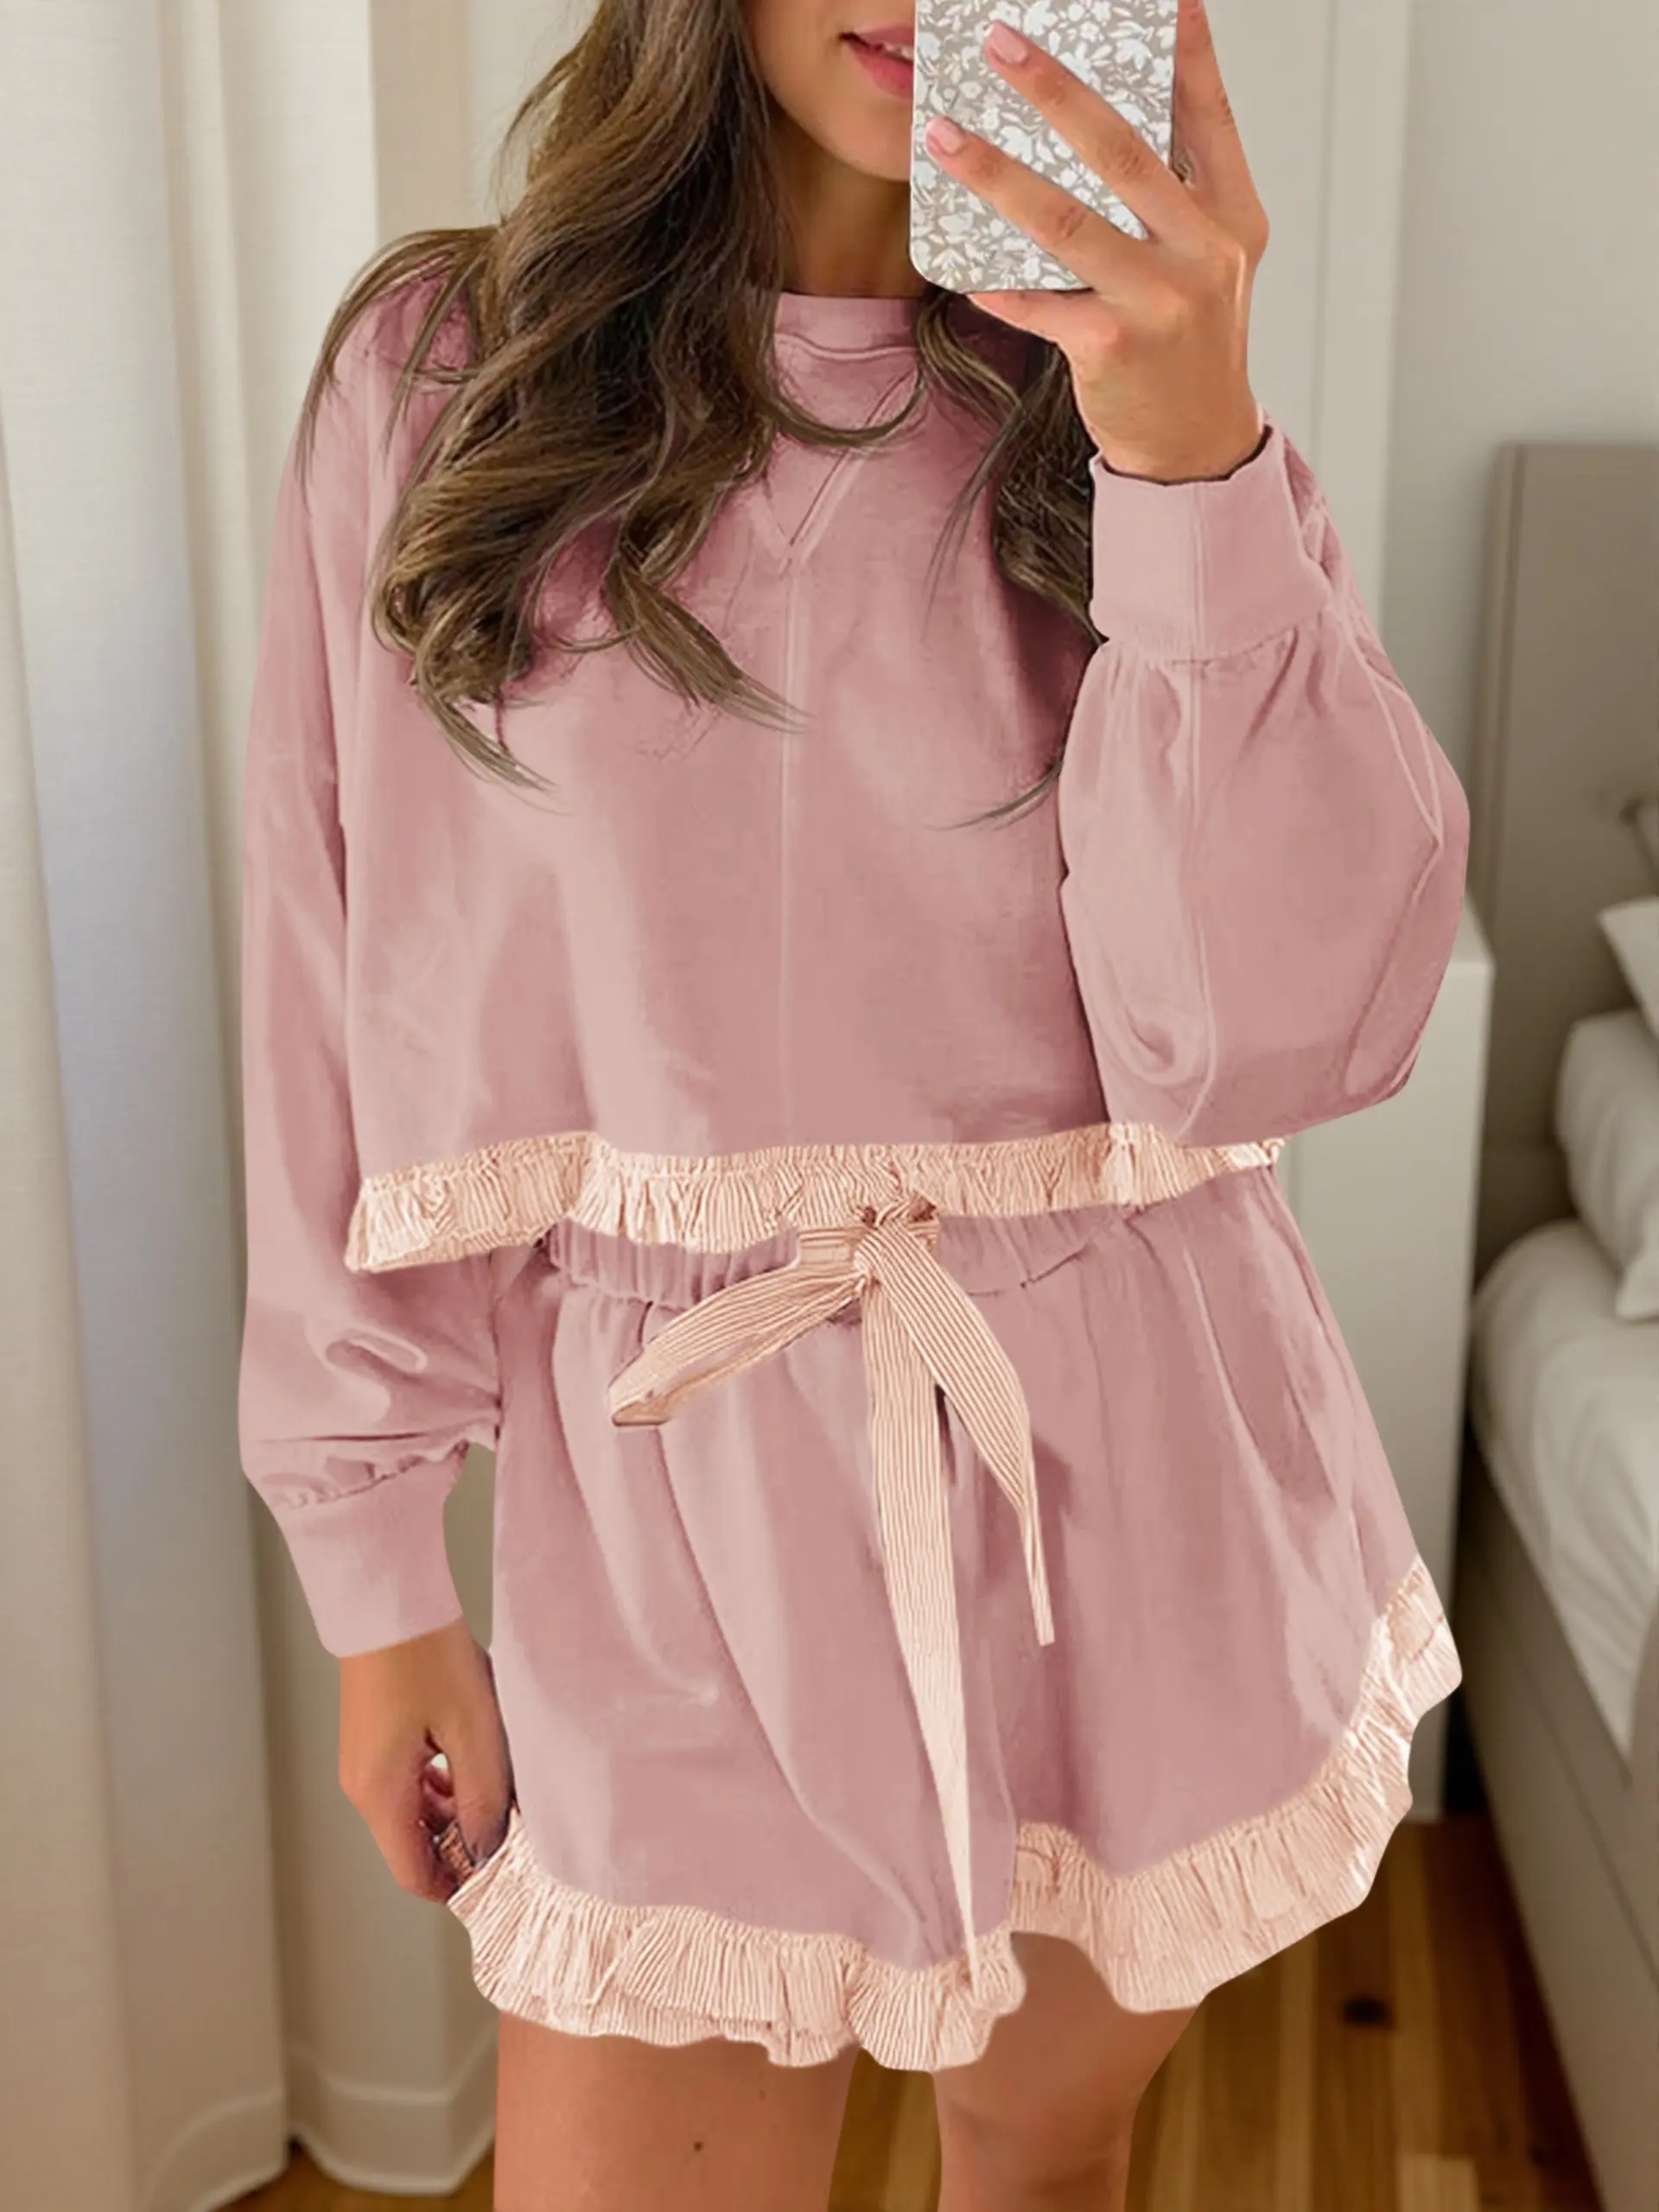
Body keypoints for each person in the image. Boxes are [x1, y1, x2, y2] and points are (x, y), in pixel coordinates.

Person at [235, 0, 1470, 2205]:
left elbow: (1264, 1042)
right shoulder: (450, 377)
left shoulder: (1138, 401)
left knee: (1042, 2158)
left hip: (1123, 1467)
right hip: (676, 1509)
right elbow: (341, 990)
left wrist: (1189, 448)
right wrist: (373, 1559)